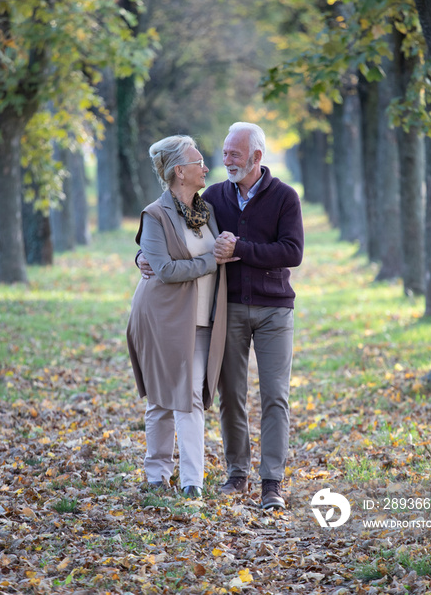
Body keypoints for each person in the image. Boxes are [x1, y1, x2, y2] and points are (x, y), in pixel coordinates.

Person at [139, 122, 304, 510]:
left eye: (233, 154)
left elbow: (292, 252)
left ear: (256, 158)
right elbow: (168, 221)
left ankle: (271, 483)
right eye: (224, 152)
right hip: (227, 311)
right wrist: (142, 256)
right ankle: (237, 474)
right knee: (230, 395)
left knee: (275, 396)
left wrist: (241, 249)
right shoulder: (213, 198)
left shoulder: (284, 197)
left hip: (274, 309)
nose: (224, 160)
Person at [126, 135, 233, 498]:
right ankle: (176, 479)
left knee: (190, 395)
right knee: (164, 396)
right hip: (163, 318)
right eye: (198, 161)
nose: (206, 167)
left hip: (203, 319)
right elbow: (166, 269)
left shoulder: (208, 210)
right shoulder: (155, 214)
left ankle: (186, 479)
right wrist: (210, 261)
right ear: (180, 171)